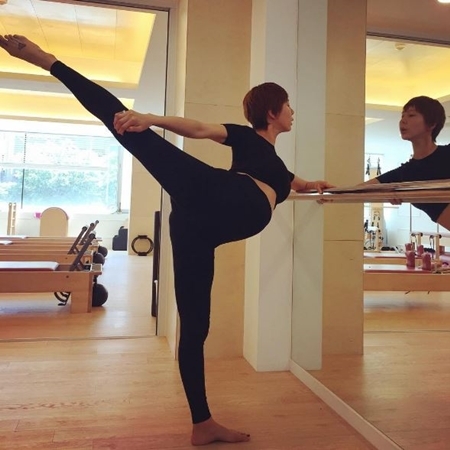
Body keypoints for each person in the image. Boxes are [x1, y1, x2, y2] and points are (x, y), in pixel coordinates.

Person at [0, 34, 333, 446]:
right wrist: (152, 119)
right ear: (273, 112)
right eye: (289, 106)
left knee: (196, 326)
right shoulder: (246, 138)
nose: (293, 112)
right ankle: (46, 59)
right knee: (127, 126)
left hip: (199, 227)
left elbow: (296, 182)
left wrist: (317, 186)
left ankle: (202, 424)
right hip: (218, 195)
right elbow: (199, 128)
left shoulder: (276, 165)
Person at [365, 95, 450, 230]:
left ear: (432, 124)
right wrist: (331, 190)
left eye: (411, 115)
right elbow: (356, 191)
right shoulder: (405, 174)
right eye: (402, 116)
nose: (403, 121)